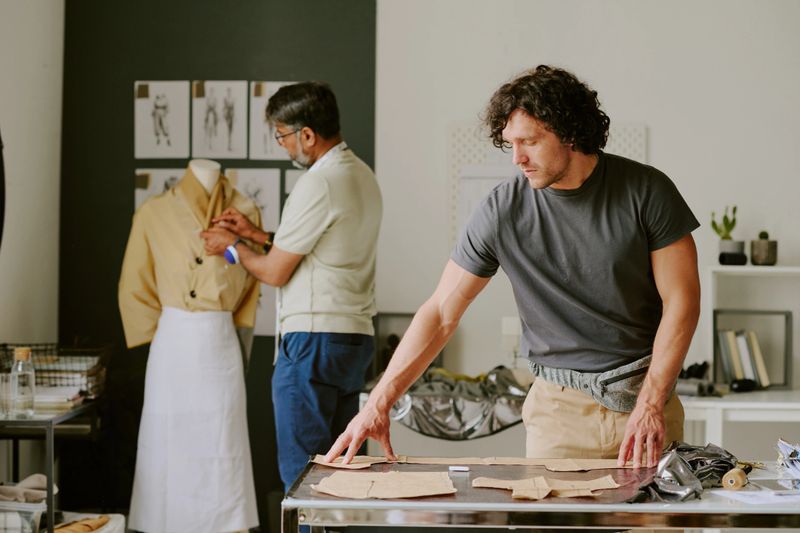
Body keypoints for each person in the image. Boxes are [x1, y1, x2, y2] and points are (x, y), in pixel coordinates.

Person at [325, 65, 700, 469]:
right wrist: (378, 404)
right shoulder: (502, 210)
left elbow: (682, 300)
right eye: (510, 144)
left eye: (531, 142)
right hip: (558, 416)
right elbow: (439, 313)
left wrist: (650, 402)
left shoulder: (646, 191)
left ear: (570, 133)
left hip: (646, 407)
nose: (518, 158)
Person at [201, 81, 383, 490]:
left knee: (304, 481)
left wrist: (231, 245)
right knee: (342, 478)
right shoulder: (361, 176)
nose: (283, 146)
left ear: (306, 135)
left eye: (282, 136)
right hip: (352, 342)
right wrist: (255, 233)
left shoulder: (317, 183)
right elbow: (316, 251)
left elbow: (274, 271)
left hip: (311, 344)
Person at [119, 158, 259, 532]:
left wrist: (237, 330)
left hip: (220, 340)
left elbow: (253, 282)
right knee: (169, 449)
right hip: (174, 344)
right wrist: (165, 332)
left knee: (221, 446)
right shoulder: (154, 212)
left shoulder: (244, 212)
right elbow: (135, 283)